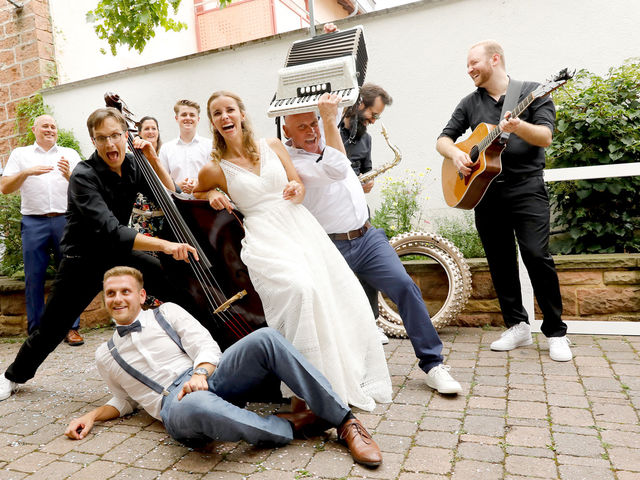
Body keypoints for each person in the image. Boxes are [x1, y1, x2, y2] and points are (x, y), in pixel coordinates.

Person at [64, 266, 383, 467]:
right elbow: (124, 401)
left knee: (267, 338)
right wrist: (90, 415)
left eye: (125, 291)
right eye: (110, 294)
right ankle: (292, 426)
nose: (117, 298)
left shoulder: (167, 313)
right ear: (105, 300)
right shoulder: (104, 354)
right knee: (196, 404)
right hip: (175, 406)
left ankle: (344, 421)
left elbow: (205, 346)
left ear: (141, 295)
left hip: (208, 378)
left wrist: (201, 374)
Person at [194, 91, 392, 412]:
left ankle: (329, 379)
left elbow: (297, 185)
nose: (225, 117)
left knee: (331, 294)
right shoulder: (215, 167)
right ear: (213, 123)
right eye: (217, 113)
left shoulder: (272, 146)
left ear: (242, 113)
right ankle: (304, 389)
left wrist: (296, 189)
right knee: (300, 289)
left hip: (299, 227)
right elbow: (196, 190)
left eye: (230, 109)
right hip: (263, 236)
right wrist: (213, 193)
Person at [0, 107, 198, 402]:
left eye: (116, 136)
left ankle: (203, 352)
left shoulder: (135, 165)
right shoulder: (84, 175)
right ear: (93, 140)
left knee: (174, 288)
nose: (110, 144)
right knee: (53, 326)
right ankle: (12, 377)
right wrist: (165, 246)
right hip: (84, 259)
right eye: (102, 138)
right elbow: (112, 230)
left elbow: (168, 194)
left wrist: (154, 159)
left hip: (120, 253)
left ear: (125, 136)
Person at [283, 94, 462, 395]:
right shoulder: (289, 162)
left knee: (405, 287)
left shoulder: (329, 138)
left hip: (366, 237)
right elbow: (339, 169)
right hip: (330, 247)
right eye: (302, 127)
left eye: (314, 122)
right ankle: (350, 375)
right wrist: (328, 120)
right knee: (340, 313)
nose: (312, 130)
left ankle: (433, 365)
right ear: (287, 132)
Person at [435, 40, 572, 362]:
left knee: (537, 255)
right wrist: (456, 154)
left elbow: (545, 137)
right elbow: (443, 139)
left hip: (527, 187)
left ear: (495, 59)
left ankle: (555, 332)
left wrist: (517, 126)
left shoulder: (535, 91)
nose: (469, 69)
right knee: (500, 261)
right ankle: (517, 325)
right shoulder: (469, 103)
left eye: (474, 63)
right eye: (467, 65)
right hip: (486, 190)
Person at [0, 115, 84, 346]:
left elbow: (85, 188)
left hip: (65, 221)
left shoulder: (70, 154)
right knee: (33, 278)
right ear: (35, 129)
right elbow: (5, 187)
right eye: (45, 126)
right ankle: (37, 333)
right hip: (33, 222)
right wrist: (26, 172)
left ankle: (71, 328)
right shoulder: (21, 154)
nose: (50, 129)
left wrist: (69, 175)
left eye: (53, 126)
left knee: (69, 276)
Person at [339, 83, 394, 345]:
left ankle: (371, 323)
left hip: (358, 211)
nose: (374, 121)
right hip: (331, 213)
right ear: (360, 105)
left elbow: (367, 170)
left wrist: (367, 182)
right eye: (374, 114)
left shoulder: (367, 138)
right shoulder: (329, 131)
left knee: (368, 269)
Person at [159, 99, 212, 196]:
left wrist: (198, 184)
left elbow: (213, 178)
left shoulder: (210, 146)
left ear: (198, 119)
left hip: (203, 203)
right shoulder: (166, 148)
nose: (188, 118)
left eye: (192, 115)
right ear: (176, 118)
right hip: (175, 204)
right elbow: (161, 181)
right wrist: (176, 186)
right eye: (184, 115)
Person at [130, 116, 165, 237]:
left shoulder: (165, 154)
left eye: (154, 128)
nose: (151, 132)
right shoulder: (133, 159)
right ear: (139, 133)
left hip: (167, 218)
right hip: (141, 220)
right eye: (146, 129)